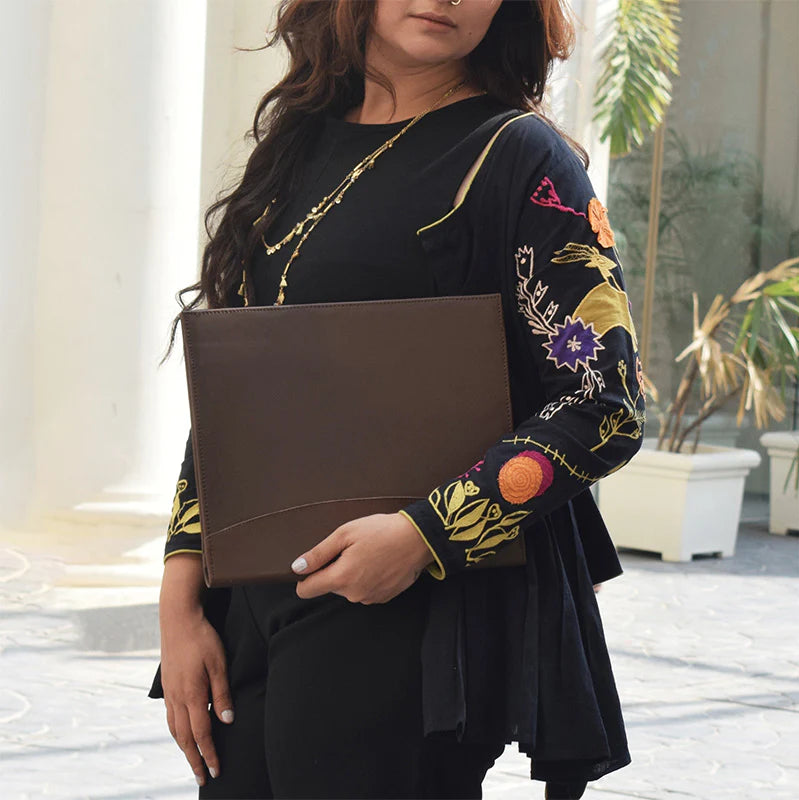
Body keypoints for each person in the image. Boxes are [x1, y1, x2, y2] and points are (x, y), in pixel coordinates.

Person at [148, 1, 646, 798]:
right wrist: (180, 598)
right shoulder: (296, 143)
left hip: (413, 617)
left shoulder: (523, 159)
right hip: (251, 603)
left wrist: (424, 536)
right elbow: (234, 392)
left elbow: (604, 402)